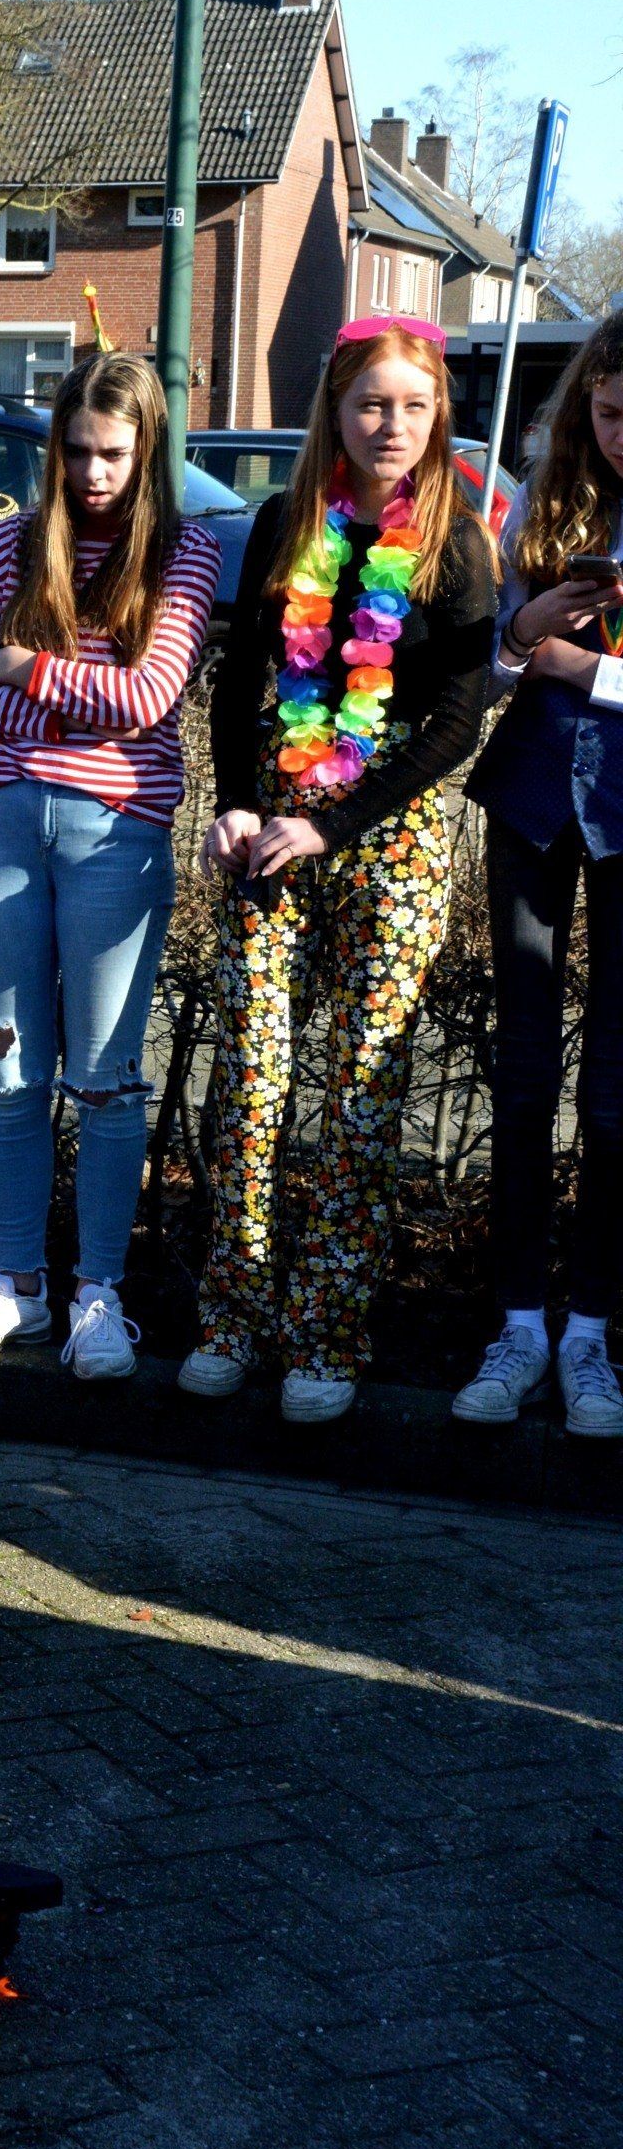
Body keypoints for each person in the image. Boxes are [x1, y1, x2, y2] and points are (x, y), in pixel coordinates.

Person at [185, 317, 498, 1423]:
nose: (391, 426)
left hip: (389, 834)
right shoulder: (286, 518)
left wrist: (341, 823)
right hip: (273, 820)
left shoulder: (458, 537)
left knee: (362, 1090)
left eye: (413, 406)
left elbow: (456, 718)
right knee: (254, 1077)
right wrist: (234, 802)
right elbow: (238, 678)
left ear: (439, 413)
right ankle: (232, 1317)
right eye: (372, 404)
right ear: (335, 407)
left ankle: (326, 1335)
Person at [0, 353, 220, 1380]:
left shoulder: (181, 553)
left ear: (147, 453)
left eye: (114, 454)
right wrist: (69, 707)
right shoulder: (8, 545)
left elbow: (149, 699)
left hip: (118, 834)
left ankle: (99, 1293)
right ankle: (17, 1285)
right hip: (3, 826)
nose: (93, 473)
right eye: (78, 451)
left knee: (104, 1077)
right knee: (8, 1068)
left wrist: (29, 669)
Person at [452, 314, 623, 1438]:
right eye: (607, 415)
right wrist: (525, 634)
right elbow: (493, 663)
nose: (620, 438)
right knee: (521, 1077)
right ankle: (518, 1327)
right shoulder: (548, 501)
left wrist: (578, 665)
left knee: (613, 1090)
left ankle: (592, 1334)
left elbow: (557, 668)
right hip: (530, 800)